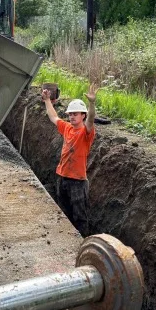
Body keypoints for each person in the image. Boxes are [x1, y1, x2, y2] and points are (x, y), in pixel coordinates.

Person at [41, 84, 98, 235]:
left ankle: (80, 243)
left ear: (83, 115)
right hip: (62, 177)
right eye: (70, 114)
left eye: (75, 114)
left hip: (78, 182)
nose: (72, 116)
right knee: (64, 214)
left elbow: (91, 120)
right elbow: (54, 117)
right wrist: (47, 100)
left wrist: (91, 103)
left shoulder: (86, 133)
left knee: (80, 217)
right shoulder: (67, 128)